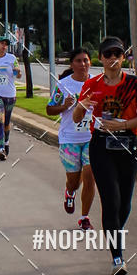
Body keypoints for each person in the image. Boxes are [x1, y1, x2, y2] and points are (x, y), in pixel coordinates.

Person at [72, 36, 137, 275]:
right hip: (101, 147)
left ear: (122, 57)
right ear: (101, 58)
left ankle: (114, 231)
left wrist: (122, 125)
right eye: (108, 54)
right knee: (111, 200)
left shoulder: (136, 85)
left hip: (128, 145)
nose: (113, 58)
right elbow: (77, 118)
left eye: (117, 53)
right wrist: (81, 106)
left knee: (124, 204)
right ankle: (117, 257)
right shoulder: (92, 84)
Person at [46, 47, 95, 228]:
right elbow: (49, 109)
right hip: (69, 139)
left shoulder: (97, 83)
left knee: (90, 176)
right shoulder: (63, 85)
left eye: (86, 60)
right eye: (79, 61)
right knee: (74, 180)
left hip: (92, 137)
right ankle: (70, 192)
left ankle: (84, 218)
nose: (83, 64)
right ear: (72, 64)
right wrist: (64, 106)